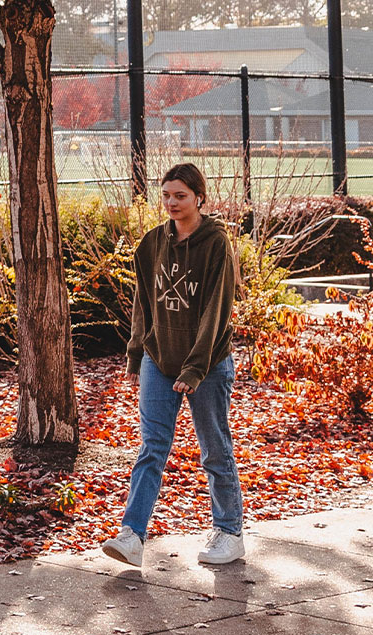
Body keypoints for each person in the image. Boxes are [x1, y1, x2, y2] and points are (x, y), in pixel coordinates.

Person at [101, 162, 245, 568]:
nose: (171, 203)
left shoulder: (217, 244)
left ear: (200, 197)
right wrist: (134, 354)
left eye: (180, 196)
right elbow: (143, 305)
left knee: (214, 449)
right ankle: (132, 535)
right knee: (152, 447)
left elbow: (217, 311)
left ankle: (230, 531)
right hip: (159, 361)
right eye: (165, 195)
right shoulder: (150, 245)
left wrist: (195, 368)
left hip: (208, 365)